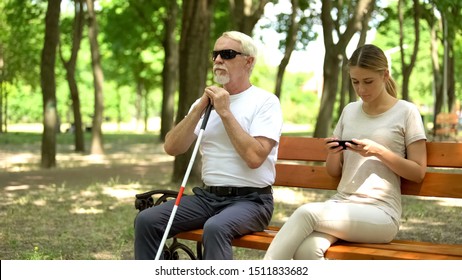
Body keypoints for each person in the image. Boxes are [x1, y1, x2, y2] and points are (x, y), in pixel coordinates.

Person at [264, 44, 427, 260]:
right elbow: (333, 172)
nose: (361, 89)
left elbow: (418, 172)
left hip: (381, 213)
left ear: (385, 75)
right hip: (342, 204)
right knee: (307, 250)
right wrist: (332, 152)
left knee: (307, 212)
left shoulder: (406, 112)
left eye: (368, 82)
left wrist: (378, 151)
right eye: (355, 82)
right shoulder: (349, 111)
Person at [134, 31, 283, 260]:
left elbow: (255, 158)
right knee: (147, 220)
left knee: (215, 228)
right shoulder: (204, 103)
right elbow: (172, 148)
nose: (218, 60)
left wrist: (225, 112)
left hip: (252, 201)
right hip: (208, 198)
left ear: (248, 61)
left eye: (227, 54)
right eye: (215, 54)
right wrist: (197, 110)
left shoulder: (265, 102)